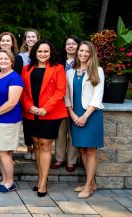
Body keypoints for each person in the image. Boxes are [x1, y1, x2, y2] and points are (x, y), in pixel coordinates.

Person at [20, 39, 68, 197]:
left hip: (50, 112)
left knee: (46, 145)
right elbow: (23, 90)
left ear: (51, 53)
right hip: (31, 112)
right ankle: (40, 178)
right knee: (37, 144)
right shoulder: (27, 69)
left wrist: (45, 109)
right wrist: (29, 106)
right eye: (39, 51)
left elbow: (60, 91)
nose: (42, 54)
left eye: (46, 51)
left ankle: (43, 182)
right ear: (35, 52)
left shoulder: (58, 68)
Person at [65, 41, 104, 199]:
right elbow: (67, 95)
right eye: (81, 50)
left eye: (87, 51)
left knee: (91, 150)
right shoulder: (71, 72)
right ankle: (91, 182)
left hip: (91, 115)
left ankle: (88, 186)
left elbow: (97, 96)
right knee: (81, 150)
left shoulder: (97, 70)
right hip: (75, 114)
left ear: (91, 53)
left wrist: (85, 116)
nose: (83, 54)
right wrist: (73, 115)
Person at [0, 49, 23, 193]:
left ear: (12, 61)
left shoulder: (15, 78)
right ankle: (4, 180)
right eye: (0, 59)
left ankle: (10, 182)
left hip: (8, 119)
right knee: (0, 151)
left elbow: (12, 102)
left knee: (3, 152)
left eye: (6, 59)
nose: (3, 61)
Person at [51, 35, 81, 172]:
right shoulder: (58, 62)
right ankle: (59, 158)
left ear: (78, 46)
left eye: (73, 44)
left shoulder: (82, 61)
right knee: (60, 132)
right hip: (60, 102)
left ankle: (71, 161)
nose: (70, 46)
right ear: (64, 47)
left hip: (76, 101)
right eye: (68, 44)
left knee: (73, 132)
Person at [19, 28, 41, 161]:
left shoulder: (42, 54)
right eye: (28, 37)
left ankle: (37, 148)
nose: (31, 39)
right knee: (27, 123)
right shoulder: (21, 56)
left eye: (33, 37)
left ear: (38, 39)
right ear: (25, 40)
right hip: (25, 93)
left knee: (37, 123)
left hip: (39, 93)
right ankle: (29, 148)